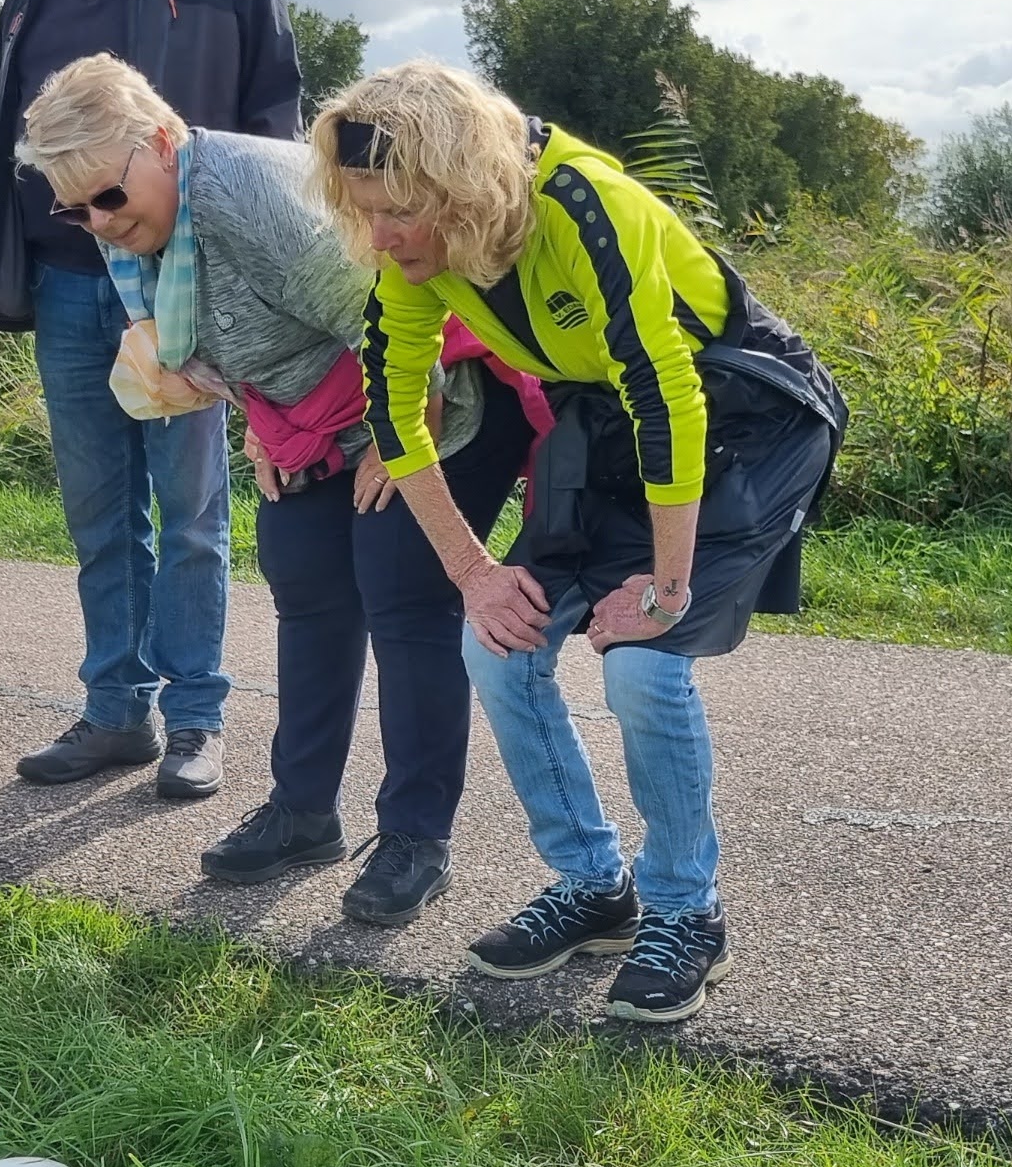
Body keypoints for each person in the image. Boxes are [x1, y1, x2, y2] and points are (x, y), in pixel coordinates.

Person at [314, 61, 846, 1022]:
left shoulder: (585, 207)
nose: (381, 237)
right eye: (366, 211)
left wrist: (666, 583)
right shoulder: (415, 260)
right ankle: (594, 887)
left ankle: (690, 910)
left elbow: (669, 394)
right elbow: (393, 412)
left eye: (401, 211)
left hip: (746, 417)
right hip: (605, 422)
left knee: (643, 663)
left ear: (462, 188)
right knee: (496, 638)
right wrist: (475, 573)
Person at [15, 55, 539, 925]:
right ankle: (303, 814)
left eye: (109, 196)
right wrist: (265, 424)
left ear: (159, 142)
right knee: (304, 577)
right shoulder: (154, 233)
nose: (99, 224)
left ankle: (416, 836)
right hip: (323, 407)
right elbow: (233, 336)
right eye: (76, 209)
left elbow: (401, 311)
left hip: (436, 389)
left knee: (400, 586)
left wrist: (399, 446)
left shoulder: (244, 199)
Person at [0, 0, 304, 802]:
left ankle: (196, 717)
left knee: (191, 509)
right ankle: (116, 713)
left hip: (187, 278)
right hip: (67, 278)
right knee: (98, 513)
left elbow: (275, 120)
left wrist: (258, 260)